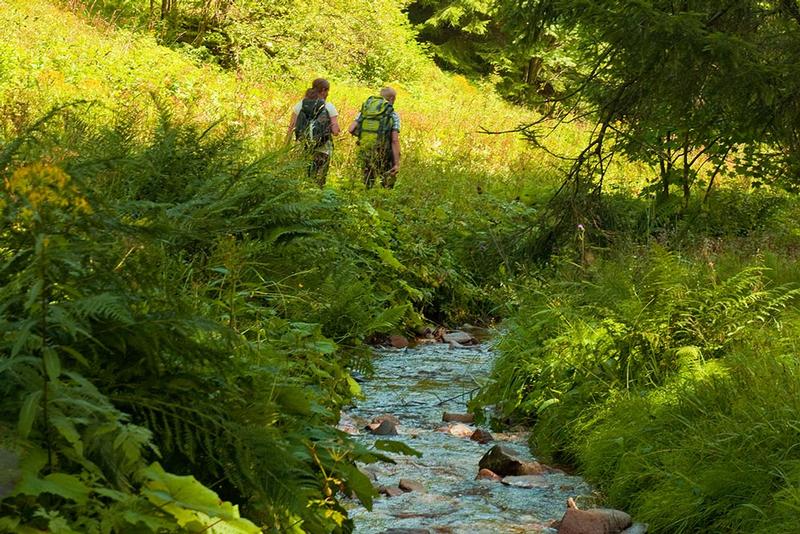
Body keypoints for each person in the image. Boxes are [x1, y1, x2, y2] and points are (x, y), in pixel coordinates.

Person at [286, 78, 341, 186]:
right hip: (323, 149)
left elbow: (291, 127)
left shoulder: (300, 105)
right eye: (327, 91)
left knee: (307, 177)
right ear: (324, 90)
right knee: (319, 181)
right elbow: (335, 132)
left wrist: (285, 146)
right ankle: (317, 198)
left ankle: (306, 197)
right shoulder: (329, 106)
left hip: (305, 147)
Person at [348, 87, 400, 188]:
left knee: (367, 183)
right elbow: (394, 140)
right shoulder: (392, 114)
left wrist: (365, 136)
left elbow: (351, 129)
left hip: (366, 152)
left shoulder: (365, 111)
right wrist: (396, 163)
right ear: (392, 99)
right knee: (386, 186)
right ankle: (380, 203)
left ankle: (364, 202)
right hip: (384, 153)